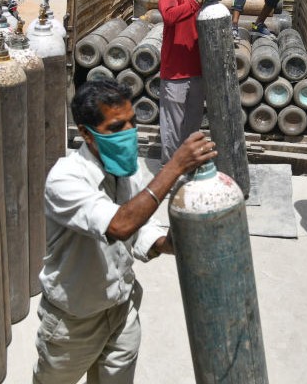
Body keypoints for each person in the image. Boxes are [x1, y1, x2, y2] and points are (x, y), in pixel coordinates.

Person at [34, 79, 216, 383]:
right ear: (86, 133)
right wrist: (174, 167)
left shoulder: (126, 170)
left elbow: (139, 226)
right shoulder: (65, 179)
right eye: (117, 127)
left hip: (122, 309)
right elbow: (120, 225)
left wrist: (168, 242)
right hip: (74, 321)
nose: (129, 133)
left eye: (132, 122)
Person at [158, 0, 221, 166]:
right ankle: (169, 171)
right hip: (175, 73)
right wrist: (199, 1)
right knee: (172, 129)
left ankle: (187, 168)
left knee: (192, 127)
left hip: (197, 71)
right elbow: (169, 16)